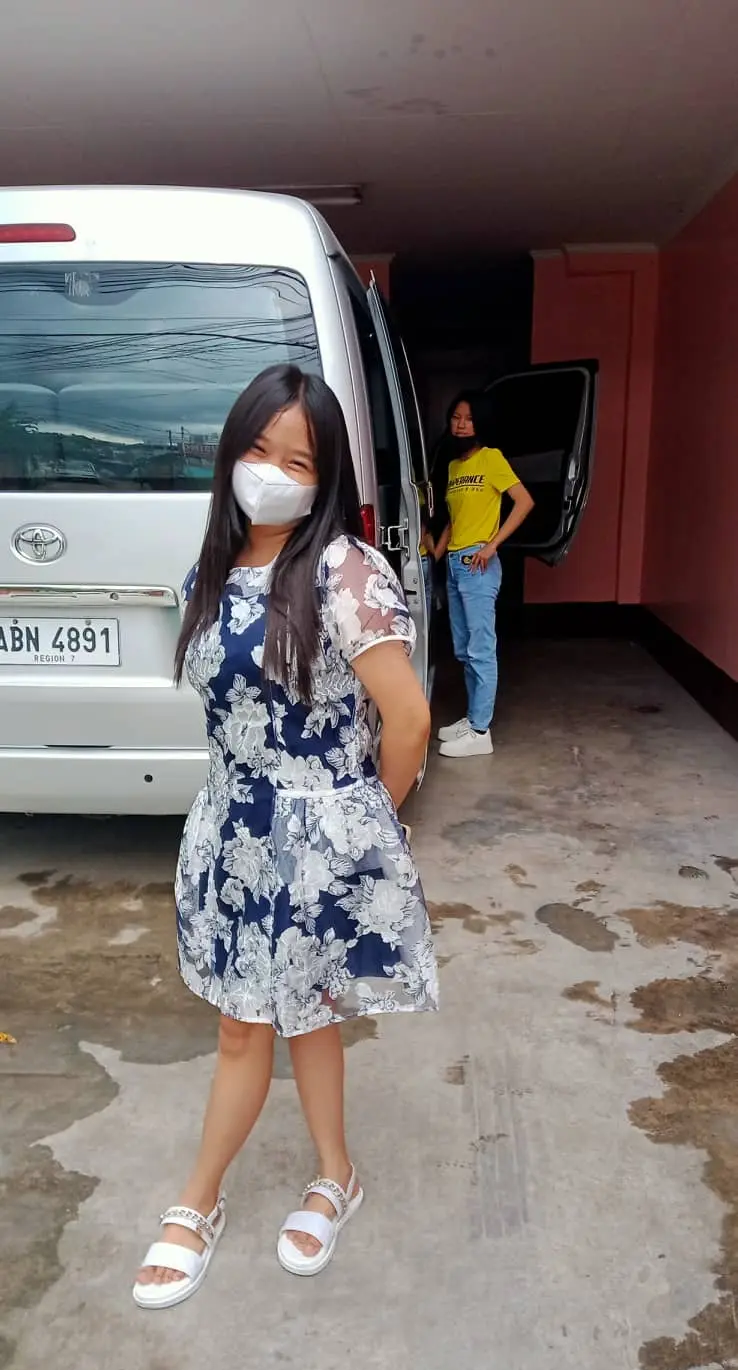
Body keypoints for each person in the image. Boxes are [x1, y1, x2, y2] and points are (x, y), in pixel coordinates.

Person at [133, 365, 438, 1309]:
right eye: (257, 450)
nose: (270, 472)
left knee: (265, 1022)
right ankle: (331, 1174)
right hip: (232, 831)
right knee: (282, 1015)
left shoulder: (346, 572)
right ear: (231, 452)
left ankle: (204, 1199)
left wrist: (362, 826)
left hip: (316, 841)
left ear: (325, 476)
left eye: (297, 461)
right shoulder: (211, 568)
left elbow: (410, 721)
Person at [435, 392, 534, 758]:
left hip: (479, 565)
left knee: (481, 650)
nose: (461, 424)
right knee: (464, 650)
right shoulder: (453, 467)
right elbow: (454, 519)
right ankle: (472, 717)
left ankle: (480, 731)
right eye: (456, 417)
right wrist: (436, 551)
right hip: (455, 563)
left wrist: (492, 546)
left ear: (480, 423)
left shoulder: (491, 458)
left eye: (469, 419)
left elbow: (524, 502)